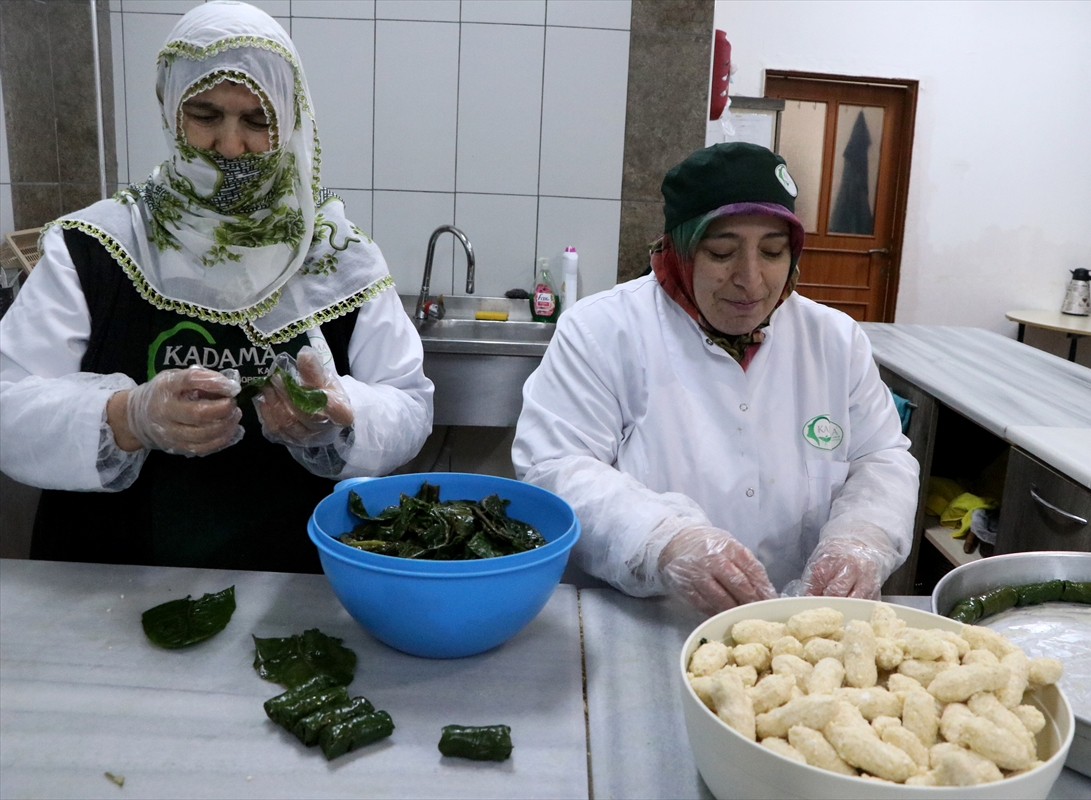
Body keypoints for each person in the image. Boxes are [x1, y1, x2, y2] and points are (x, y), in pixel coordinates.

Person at [0, 1, 433, 573]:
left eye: (257, 121)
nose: (230, 146)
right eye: (205, 115)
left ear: (290, 119)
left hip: (292, 587)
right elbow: (8, 403)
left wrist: (340, 419)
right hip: (111, 579)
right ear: (170, 109)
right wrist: (128, 416)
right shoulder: (96, 245)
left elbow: (408, 401)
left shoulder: (334, 253)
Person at [512, 142, 918, 615]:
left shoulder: (833, 339)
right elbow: (556, 467)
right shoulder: (603, 330)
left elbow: (881, 457)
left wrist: (860, 539)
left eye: (772, 251)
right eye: (722, 252)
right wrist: (666, 542)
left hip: (797, 629)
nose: (751, 279)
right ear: (680, 248)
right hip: (646, 620)